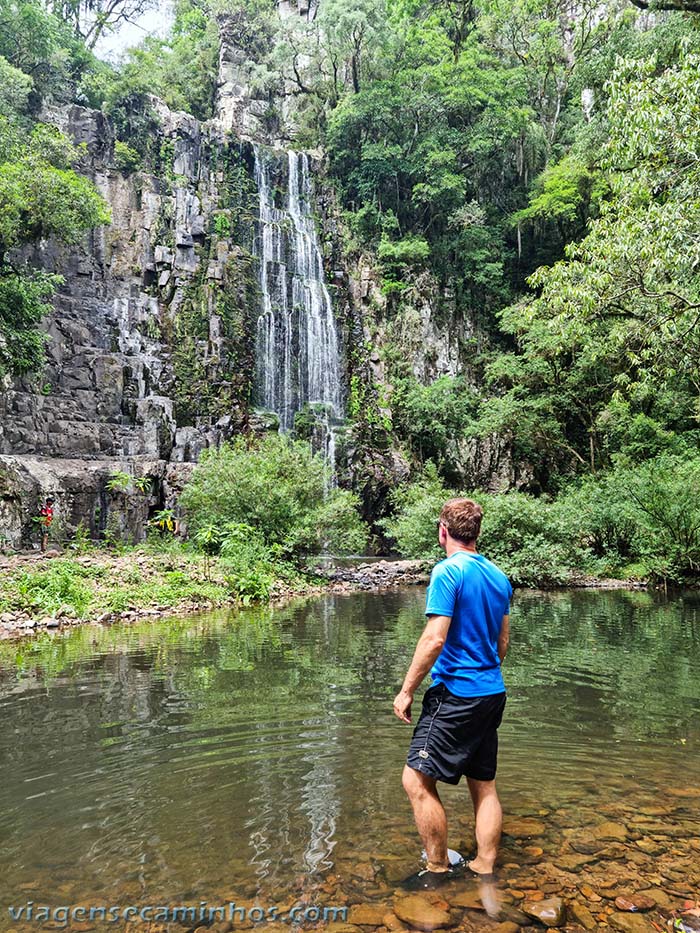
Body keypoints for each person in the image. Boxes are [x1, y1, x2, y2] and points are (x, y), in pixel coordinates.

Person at [393, 497, 512, 890]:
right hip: (491, 691)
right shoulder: (498, 577)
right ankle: (484, 866)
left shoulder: (447, 571)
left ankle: (439, 868)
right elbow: (502, 645)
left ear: (443, 531)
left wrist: (407, 689)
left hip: (456, 694)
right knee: (484, 784)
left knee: (416, 781)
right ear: (477, 532)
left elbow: (434, 639)